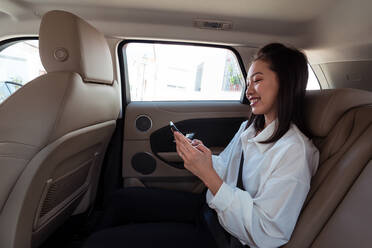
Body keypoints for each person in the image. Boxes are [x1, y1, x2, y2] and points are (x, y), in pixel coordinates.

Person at [83, 43, 319, 248]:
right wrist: (204, 159)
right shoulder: (249, 128)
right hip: (210, 212)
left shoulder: (294, 152)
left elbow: (267, 233)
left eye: (257, 81)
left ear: (286, 83)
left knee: (100, 244)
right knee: (122, 199)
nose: (248, 91)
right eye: (247, 82)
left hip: (223, 239)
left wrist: (208, 175)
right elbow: (227, 168)